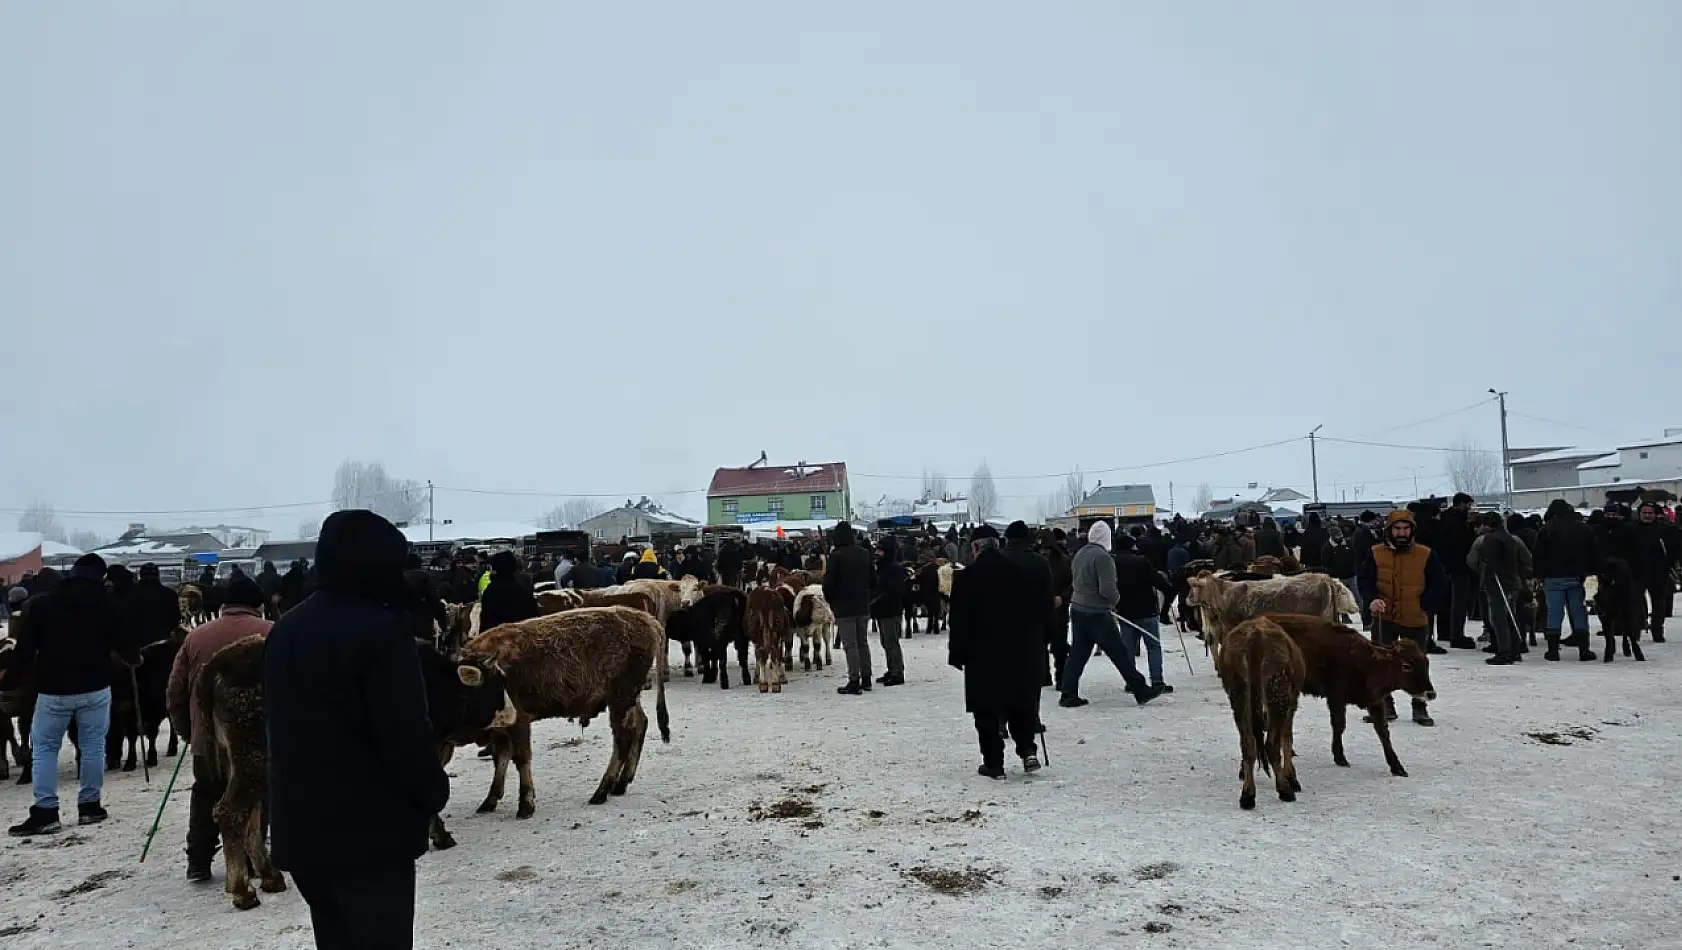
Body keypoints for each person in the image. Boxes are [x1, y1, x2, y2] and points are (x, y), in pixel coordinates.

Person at [265, 511, 449, 950]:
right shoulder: (382, 630)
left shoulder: (288, 627)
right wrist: (432, 792)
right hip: (371, 836)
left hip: (304, 828)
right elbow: (404, 734)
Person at [3, 553, 139, 836]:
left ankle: (46, 811)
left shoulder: (43, 603)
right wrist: (134, 658)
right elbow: (126, 646)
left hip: (53, 689)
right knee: (92, 745)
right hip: (96, 687)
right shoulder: (108, 604)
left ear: (73, 573)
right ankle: (90, 806)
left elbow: (25, 649)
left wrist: (10, 680)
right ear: (101, 577)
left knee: (44, 748)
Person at [165, 573, 273, 881]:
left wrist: (188, 730)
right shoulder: (272, 633)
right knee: (255, 792)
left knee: (205, 793)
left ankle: (198, 860)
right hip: (256, 735)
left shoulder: (196, 637)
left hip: (208, 734)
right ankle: (253, 858)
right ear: (258, 605)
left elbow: (175, 690)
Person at [949, 524, 1048, 779]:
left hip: (980, 654)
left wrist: (957, 654)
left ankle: (994, 763)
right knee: (1020, 702)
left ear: (975, 547)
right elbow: (1037, 612)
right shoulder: (1019, 573)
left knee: (986, 709)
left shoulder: (967, 577)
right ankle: (1027, 749)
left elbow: (959, 619)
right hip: (1018, 650)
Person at [1357, 510, 1448, 726]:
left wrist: (1426, 604)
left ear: (1412, 530)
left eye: (1405, 529)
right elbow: (1365, 580)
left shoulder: (1426, 554)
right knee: (1380, 663)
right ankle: (1384, 707)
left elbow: (1440, 582)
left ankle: (1420, 707)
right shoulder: (1375, 552)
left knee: (1417, 664)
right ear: (1389, 530)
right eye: (1397, 529)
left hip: (1415, 616)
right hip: (1384, 616)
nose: (1401, 533)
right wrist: (1371, 599)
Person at [1058, 522, 1159, 708]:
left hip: (1079, 609)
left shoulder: (1081, 553)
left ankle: (1068, 693)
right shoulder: (1103, 557)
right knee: (1119, 653)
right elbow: (1107, 589)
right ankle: (1141, 690)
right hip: (1097, 613)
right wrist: (1115, 602)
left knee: (1077, 654)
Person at [1531, 500, 1599, 661]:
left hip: (1553, 578)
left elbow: (1538, 555)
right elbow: (1594, 553)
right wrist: (1591, 573)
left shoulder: (1546, 529)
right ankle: (1584, 650)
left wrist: (1540, 574)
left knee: (1554, 612)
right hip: (1578, 577)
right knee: (1578, 612)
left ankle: (1553, 651)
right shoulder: (1584, 528)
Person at [1111, 533, 1178, 694]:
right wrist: (1170, 593)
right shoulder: (1141, 561)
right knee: (1153, 646)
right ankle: (1157, 680)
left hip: (1125, 612)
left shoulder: (1111, 563)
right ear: (1130, 546)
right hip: (1147, 610)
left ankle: (1131, 682)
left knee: (1128, 648)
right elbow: (1158, 581)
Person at [1468, 512, 1531, 665]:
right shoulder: (1510, 538)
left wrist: (1485, 580)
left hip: (1498, 583)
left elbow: (1490, 563)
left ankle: (1504, 652)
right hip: (1512, 581)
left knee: (1498, 618)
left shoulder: (1490, 539)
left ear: (1488, 525)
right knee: (1511, 616)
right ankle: (1515, 649)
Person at [823, 522, 876, 695]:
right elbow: (873, 580)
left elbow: (829, 583)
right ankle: (866, 678)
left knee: (850, 644)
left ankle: (854, 680)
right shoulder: (865, 553)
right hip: (862, 604)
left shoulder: (836, 556)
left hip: (844, 606)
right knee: (862, 642)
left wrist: (831, 600)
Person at [1435, 494, 1478, 650]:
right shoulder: (1458, 522)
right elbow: (1462, 544)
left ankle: (1444, 632)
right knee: (1459, 602)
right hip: (1459, 567)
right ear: (1461, 504)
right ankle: (1457, 635)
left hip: (1444, 566)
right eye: (1468, 505)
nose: (1470, 508)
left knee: (1446, 601)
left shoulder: (1443, 518)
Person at [1634, 501, 1679, 643]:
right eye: (1644, 513)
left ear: (1655, 514)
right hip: (1636, 572)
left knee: (1659, 603)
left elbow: (1674, 548)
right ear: (1639, 514)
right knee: (1635, 603)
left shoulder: (1665, 529)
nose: (1647, 516)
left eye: (1650, 513)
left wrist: (1669, 563)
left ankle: (1657, 630)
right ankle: (1636, 630)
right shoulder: (1631, 528)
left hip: (1658, 571)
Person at [868, 537, 908, 687]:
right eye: (876, 550)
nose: (877, 553)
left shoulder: (894, 569)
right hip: (881, 611)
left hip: (891, 611)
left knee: (892, 643)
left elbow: (893, 591)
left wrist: (878, 599)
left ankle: (897, 672)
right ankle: (891, 669)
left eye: (880, 550)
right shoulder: (882, 567)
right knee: (886, 643)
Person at [1040, 534, 1075, 685]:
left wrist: (1062, 597)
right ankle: (1044, 676)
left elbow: (1072, 584)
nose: (1043, 552)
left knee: (1059, 647)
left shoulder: (1064, 562)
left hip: (1059, 611)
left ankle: (1061, 677)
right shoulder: (1037, 562)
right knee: (1041, 647)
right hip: (1041, 612)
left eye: (1046, 549)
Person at [478, 550, 538, 634]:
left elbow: (486, 622)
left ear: (495, 568)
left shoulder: (490, 592)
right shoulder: (524, 589)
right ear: (514, 567)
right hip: (520, 639)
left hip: (497, 639)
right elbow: (532, 620)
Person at [402, 554, 448, 645]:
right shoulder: (426, 577)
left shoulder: (400, 577)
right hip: (424, 620)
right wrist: (442, 620)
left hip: (403, 621)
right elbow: (434, 599)